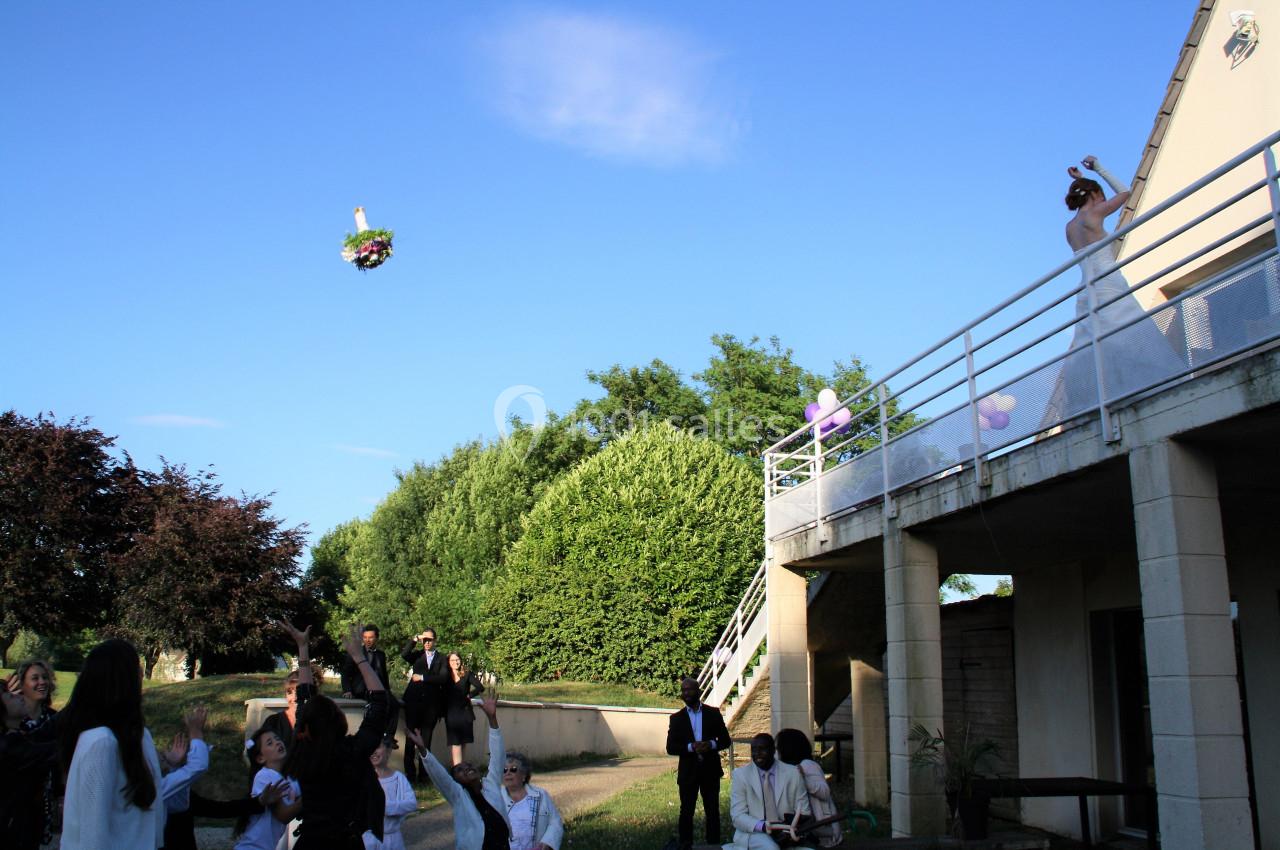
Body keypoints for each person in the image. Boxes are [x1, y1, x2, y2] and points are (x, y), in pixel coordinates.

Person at [1054, 153, 1185, 418]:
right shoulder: (1094, 213)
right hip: (1109, 281)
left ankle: (1104, 398)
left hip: (1087, 288)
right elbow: (1125, 192)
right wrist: (1099, 169)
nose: (1103, 199)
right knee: (1130, 334)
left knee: (1097, 343)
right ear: (1094, 194)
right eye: (1099, 195)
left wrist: (1083, 180)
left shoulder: (1070, 227)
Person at [281, 619, 389, 850]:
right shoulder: (352, 751)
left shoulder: (303, 751)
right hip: (345, 840)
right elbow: (380, 702)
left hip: (311, 839)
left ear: (306, 727)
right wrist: (359, 657)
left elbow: (304, 700)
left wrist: (302, 649)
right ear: (338, 721)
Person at [57, 638, 165, 850]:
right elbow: (93, 834)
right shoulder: (100, 742)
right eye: (136, 668)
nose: (141, 675)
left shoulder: (141, 737)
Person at [407, 694, 509, 850]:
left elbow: (498, 757)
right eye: (460, 770)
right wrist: (423, 750)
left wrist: (492, 719)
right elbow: (440, 776)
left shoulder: (491, 785)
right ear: (455, 781)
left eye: (468, 765)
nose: (466, 768)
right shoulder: (458, 796)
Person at [665, 676, 730, 850]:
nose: (686, 693)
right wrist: (690, 747)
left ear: (699, 691)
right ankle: (686, 845)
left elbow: (725, 740)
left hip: (710, 770)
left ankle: (714, 844)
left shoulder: (713, 713)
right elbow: (670, 747)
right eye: (683, 690)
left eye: (690, 689)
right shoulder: (676, 718)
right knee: (686, 811)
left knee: (712, 810)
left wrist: (710, 745)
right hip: (688, 772)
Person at [725, 733, 811, 850]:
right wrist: (763, 826)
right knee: (771, 848)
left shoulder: (793, 773)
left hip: (787, 833)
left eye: (762, 749)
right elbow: (737, 816)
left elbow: (805, 811)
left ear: (773, 750)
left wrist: (789, 828)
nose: (757, 754)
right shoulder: (741, 775)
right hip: (754, 832)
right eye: (753, 750)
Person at [6, 659, 59, 847]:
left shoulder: (52, 718)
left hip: (41, 802)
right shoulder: (11, 725)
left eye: (45, 677)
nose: (42, 682)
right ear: (21, 684)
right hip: (15, 807)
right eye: (34, 678)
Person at [233, 726, 303, 850]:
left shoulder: (289, 780)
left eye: (277, 739)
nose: (277, 742)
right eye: (270, 743)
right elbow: (283, 815)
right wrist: (309, 796)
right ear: (260, 758)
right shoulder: (263, 776)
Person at [774, 729, 840, 848]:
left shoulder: (807, 766)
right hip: (803, 825)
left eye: (778, 748)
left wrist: (803, 778)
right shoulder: (787, 769)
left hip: (820, 828)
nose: (777, 752)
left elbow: (824, 792)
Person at [401, 628, 447, 784]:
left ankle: (424, 774)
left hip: (431, 706)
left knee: (426, 741)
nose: (427, 643)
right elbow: (404, 654)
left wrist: (422, 677)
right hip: (413, 703)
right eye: (424, 640)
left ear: (435, 640)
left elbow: (442, 678)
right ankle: (410, 775)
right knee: (410, 741)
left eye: (430, 640)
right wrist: (415, 638)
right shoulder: (417, 656)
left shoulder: (442, 658)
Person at [342, 624, 400, 747]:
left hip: (380, 690)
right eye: (365, 637)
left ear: (377, 638)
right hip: (362, 688)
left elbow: (384, 675)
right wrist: (347, 690)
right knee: (380, 705)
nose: (367, 640)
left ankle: (389, 737)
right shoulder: (357, 652)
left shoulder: (381, 654)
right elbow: (346, 673)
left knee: (394, 704)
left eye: (371, 637)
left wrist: (388, 691)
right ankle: (382, 735)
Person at [500, 750, 564, 850]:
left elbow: (555, 822)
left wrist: (547, 842)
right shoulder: (495, 798)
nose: (508, 773)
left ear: (524, 775)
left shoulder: (541, 795)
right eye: (504, 770)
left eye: (513, 769)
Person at [366, 742, 417, 850]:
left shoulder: (399, 778)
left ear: (388, 751)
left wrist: (385, 807)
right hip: (369, 838)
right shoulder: (363, 780)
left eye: (377, 747)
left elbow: (411, 803)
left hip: (394, 839)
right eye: (370, 748)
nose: (373, 751)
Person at [262, 664, 324, 750]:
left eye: (299, 693)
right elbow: (253, 744)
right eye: (289, 692)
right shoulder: (273, 722)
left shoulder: (321, 722)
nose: (295, 698)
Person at [444, 653, 485, 765]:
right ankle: (457, 770)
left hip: (465, 712)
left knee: (463, 742)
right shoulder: (445, 675)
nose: (455, 662)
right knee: (455, 742)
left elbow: (480, 687)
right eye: (452, 660)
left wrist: (469, 695)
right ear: (448, 662)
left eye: (457, 659)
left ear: (461, 660)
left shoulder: (467, 674)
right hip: (451, 712)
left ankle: (459, 768)